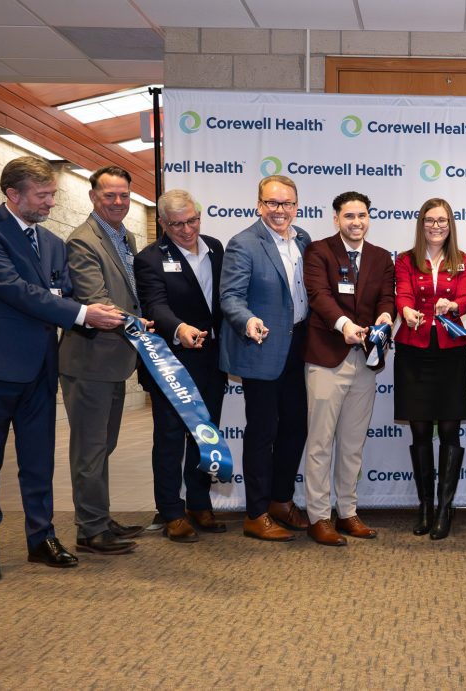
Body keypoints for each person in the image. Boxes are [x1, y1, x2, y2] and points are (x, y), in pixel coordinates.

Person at [0, 156, 125, 581]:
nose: (51, 202)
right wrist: (84, 315)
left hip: (39, 369)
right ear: (14, 195)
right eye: (43, 195)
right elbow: (17, 291)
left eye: (52, 194)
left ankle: (41, 538)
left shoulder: (50, 242)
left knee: (37, 461)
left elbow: (62, 291)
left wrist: (111, 314)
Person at [59, 165, 147, 555]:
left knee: (104, 445)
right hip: (88, 362)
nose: (117, 202)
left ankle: (100, 517)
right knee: (90, 448)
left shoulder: (125, 236)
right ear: (93, 196)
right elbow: (96, 300)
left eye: (124, 195)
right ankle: (90, 529)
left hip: (113, 361)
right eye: (109, 195)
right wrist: (142, 323)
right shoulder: (82, 241)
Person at [220, 175, 311, 542]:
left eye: (287, 203)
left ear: (296, 205)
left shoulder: (303, 239)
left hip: (299, 348)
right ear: (260, 205)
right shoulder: (243, 243)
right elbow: (230, 298)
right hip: (261, 347)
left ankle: (280, 499)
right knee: (262, 432)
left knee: (295, 427)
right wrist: (249, 321)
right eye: (272, 203)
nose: (280, 211)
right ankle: (255, 513)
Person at [302, 191, 396, 546]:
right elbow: (319, 295)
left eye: (362, 215)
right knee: (321, 442)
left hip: (366, 360)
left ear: (369, 217)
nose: (356, 222)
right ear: (336, 219)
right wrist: (344, 325)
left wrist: (386, 316)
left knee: (353, 443)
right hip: (327, 356)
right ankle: (318, 516)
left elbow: (386, 296)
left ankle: (348, 512)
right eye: (349, 216)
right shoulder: (319, 251)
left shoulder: (381, 257)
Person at [134, 190, 227, 543]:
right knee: (171, 438)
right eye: (177, 224)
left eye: (192, 220)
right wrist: (179, 328)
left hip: (211, 359)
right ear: (162, 224)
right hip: (170, 361)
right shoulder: (150, 259)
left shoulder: (216, 247)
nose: (187, 230)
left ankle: (200, 503)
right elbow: (154, 305)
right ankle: (172, 510)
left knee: (205, 434)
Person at [394, 198, 466, 539]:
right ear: (421, 223)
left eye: (442, 220)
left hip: (452, 354)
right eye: (430, 220)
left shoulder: (464, 261)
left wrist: (454, 304)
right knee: (421, 432)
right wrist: (408, 311)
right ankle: (425, 506)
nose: (436, 226)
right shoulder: (405, 260)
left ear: (450, 224)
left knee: (451, 432)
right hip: (415, 352)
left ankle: (445, 508)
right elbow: (403, 295)